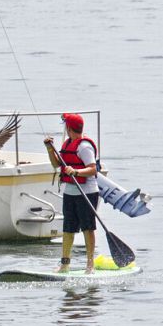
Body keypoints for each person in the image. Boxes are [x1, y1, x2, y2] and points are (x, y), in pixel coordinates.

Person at [44, 113, 99, 274]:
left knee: (88, 229)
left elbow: (93, 169)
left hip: (87, 192)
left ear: (69, 128)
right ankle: (65, 264)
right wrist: (49, 148)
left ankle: (90, 265)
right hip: (70, 192)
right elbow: (56, 164)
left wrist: (76, 171)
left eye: (66, 126)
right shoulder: (68, 144)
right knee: (68, 229)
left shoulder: (84, 147)